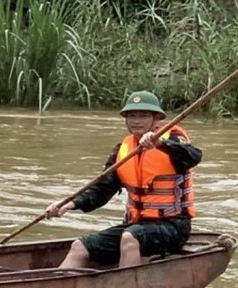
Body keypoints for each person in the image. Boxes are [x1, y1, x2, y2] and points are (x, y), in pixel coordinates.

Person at [45, 90, 200, 269]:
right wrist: (67, 205)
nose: (136, 121)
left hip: (173, 226)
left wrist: (161, 144)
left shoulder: (172, 140)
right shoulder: (122, 151)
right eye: (132, 116)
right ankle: (62, 287)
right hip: (135, 225)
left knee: (130, 238)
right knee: (80, 247)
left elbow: (193, 155)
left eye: (143, 116)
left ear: (156, 118)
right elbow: (101, 191)